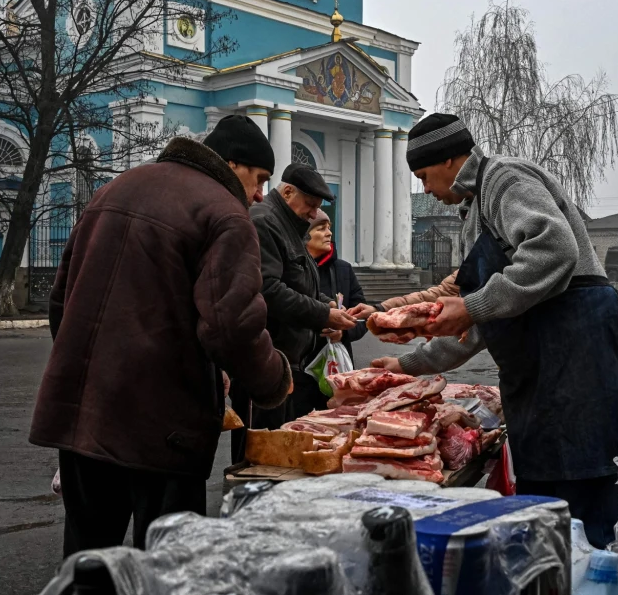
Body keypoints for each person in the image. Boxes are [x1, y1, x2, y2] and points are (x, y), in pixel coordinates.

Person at [29, 115, 293, 557]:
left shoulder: (114, 189)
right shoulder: (225, 214)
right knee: (169, 565)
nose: (260, 195)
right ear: (232, 164)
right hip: (163, 431)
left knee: (89, 561)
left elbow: (62, 301)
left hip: (84, 418)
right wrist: (274, 380)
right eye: (259, 179)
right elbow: (232, 326)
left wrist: (93, 375)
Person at [371, 113, 618, 549]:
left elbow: (554, 249)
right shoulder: (474, 212)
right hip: (542, 372)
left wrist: (472, 306)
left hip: (577, 358)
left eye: (423, 175)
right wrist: (406, 364)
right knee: (545, 502)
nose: (424, 189)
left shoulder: (504, 179)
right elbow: (484, 317)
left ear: (450, 159)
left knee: (580, 506)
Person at [353, 270, 618, 423]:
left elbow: (474, 329)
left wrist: (406, 364)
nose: (427, 190)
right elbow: (442, 293)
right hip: (565, 369)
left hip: (595, 365)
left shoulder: (513, 268)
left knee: (586, 468)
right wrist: (382, 309)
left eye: (426, 178)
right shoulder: (486, 256)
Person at [230, 163, 357, 463]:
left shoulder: (288, 226)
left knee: (279, 455)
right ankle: (247, 508)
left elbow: (301, 284)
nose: (314, 215)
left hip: (283, 364)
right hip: (263, 363)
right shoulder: (265, 222)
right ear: (287, 192)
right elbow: (268, 290)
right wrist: (323, 316)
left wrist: (328, 306)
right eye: (311, 206)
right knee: (258, 460)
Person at [305, 211, 368, 360]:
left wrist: (343, 333)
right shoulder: (292, 269)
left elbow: (362, 316)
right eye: (321, 228)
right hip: (302, 362)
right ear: (303, 235)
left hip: (335, 362)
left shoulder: (343, 269)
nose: (329, 233)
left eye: (329, 228)